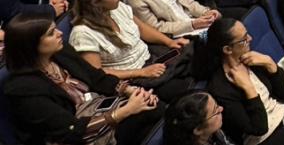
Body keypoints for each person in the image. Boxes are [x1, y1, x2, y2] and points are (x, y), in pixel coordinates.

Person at [2, 10, 164, 145]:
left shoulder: (60, 51)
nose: (60, 33)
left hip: (97, 109)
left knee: (155, 108)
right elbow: (69, 131)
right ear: (31, 45)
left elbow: (95, 77)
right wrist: (128, 110)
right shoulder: (22, 89)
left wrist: (131, 92)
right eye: (51, 33)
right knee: (155, 118)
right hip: (76, 135)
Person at [69, 0, 192, 102]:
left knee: (198, 60)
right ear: (96, 2)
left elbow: (142, 28)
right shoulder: (82, 33)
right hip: (133, 79)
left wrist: (169, 41)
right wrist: (140, 72)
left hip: (152, 58)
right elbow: (97, 74)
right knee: (185, 91)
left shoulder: (116, 8)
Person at [163, 91, 235, 145]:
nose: (221, 108)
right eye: (216, 112)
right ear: (198, 129)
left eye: (216, 104)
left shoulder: (211, 133)